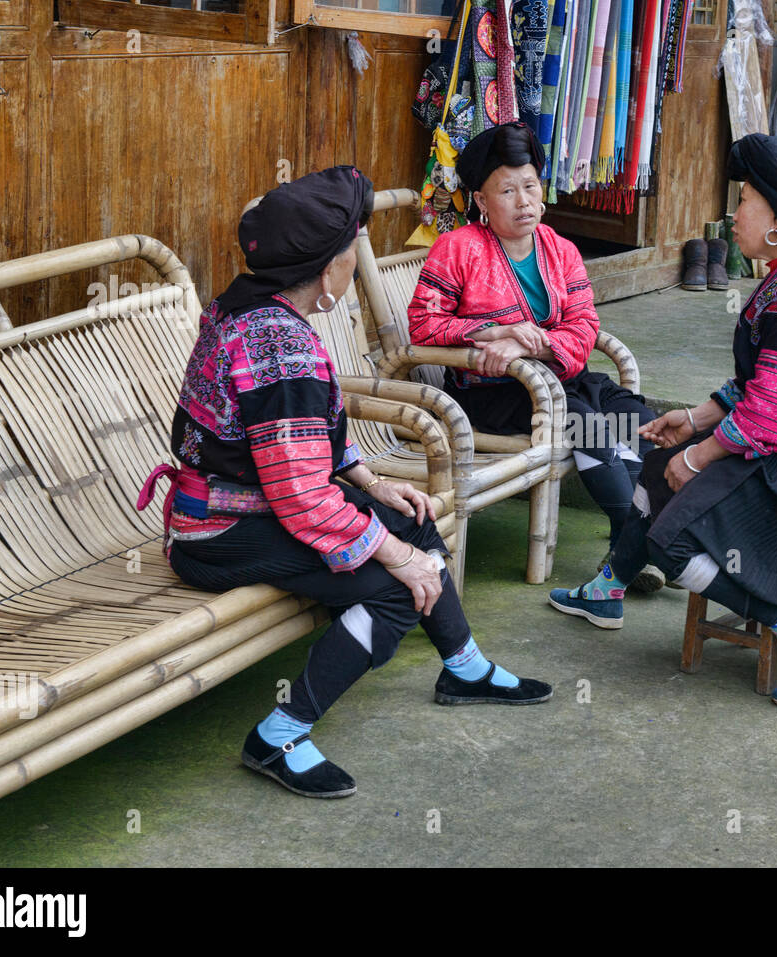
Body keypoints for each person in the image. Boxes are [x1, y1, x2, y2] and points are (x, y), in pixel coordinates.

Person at [141, 166, 551, 800]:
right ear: (329, 267)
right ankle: (279, 734)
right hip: (217, 530)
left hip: (255, 505)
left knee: (410, 520)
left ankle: (464, 669)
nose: (355, 263)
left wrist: (370, 483)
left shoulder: (250, 303)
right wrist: (396, 555)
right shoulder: (282, 346)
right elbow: (302, 497)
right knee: (393, 585)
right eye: (351, 251)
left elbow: (309, 437)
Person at [547, 134, 777, 707]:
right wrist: (692, 419)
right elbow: (764, 385)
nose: (734, 215)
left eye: (747, 201)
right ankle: (608, 590)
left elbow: (772, 419)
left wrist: (699, 455)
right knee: (655, 469)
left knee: (672, 538)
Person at [407, 121, 664, 589]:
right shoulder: (457, 248)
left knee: (634, 419)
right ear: (482, 202)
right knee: (586, 420)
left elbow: (584, 326)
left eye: (530, 186)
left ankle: (636, 539)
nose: (524, 201)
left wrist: (533, 342)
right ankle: (633, 549)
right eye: (507, 190)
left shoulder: (560, 249)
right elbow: (424, 324)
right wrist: (497, 330)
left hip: (560, 379)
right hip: (493, 393)